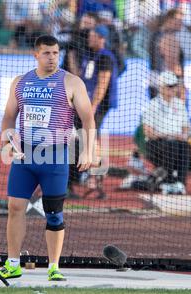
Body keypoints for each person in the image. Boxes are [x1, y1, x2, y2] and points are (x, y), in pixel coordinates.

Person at [0, 35, 95, 281]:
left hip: (55, 156)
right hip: (25, 155)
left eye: (55, 53)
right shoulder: (20, 82)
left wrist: (87, 150)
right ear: (36, 55)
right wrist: (7, 141)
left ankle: (54, 267)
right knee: (15, 207)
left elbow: (88, 119)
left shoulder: (71, 82)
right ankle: (13, 263)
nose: (52, 57)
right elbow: (9, 116)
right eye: (47, 53)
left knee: (54, 213)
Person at [78, 24, 119, 199]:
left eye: (93, 34)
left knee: (91, 136)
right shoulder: (90, 54)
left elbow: (102, 84)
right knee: (87, 136)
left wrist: (93, 105)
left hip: (98, 105)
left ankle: (96, 174)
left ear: (102, 38)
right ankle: (93, 172)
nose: (89, 37)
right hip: (88, 103)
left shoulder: (105, 57)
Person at [143, 71, 191, 194]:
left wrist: (184, 136)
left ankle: (180, 183)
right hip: (156, 144)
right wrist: (169, 135)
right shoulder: (152, 105)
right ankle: (168, 181)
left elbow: (186, 127)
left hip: (176, 142)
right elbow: (147, 132)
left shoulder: (180, 104)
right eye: (169, 86)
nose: (173, 89)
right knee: (172, 145)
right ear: (161, 87)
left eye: (174, 86)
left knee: (185, 146)